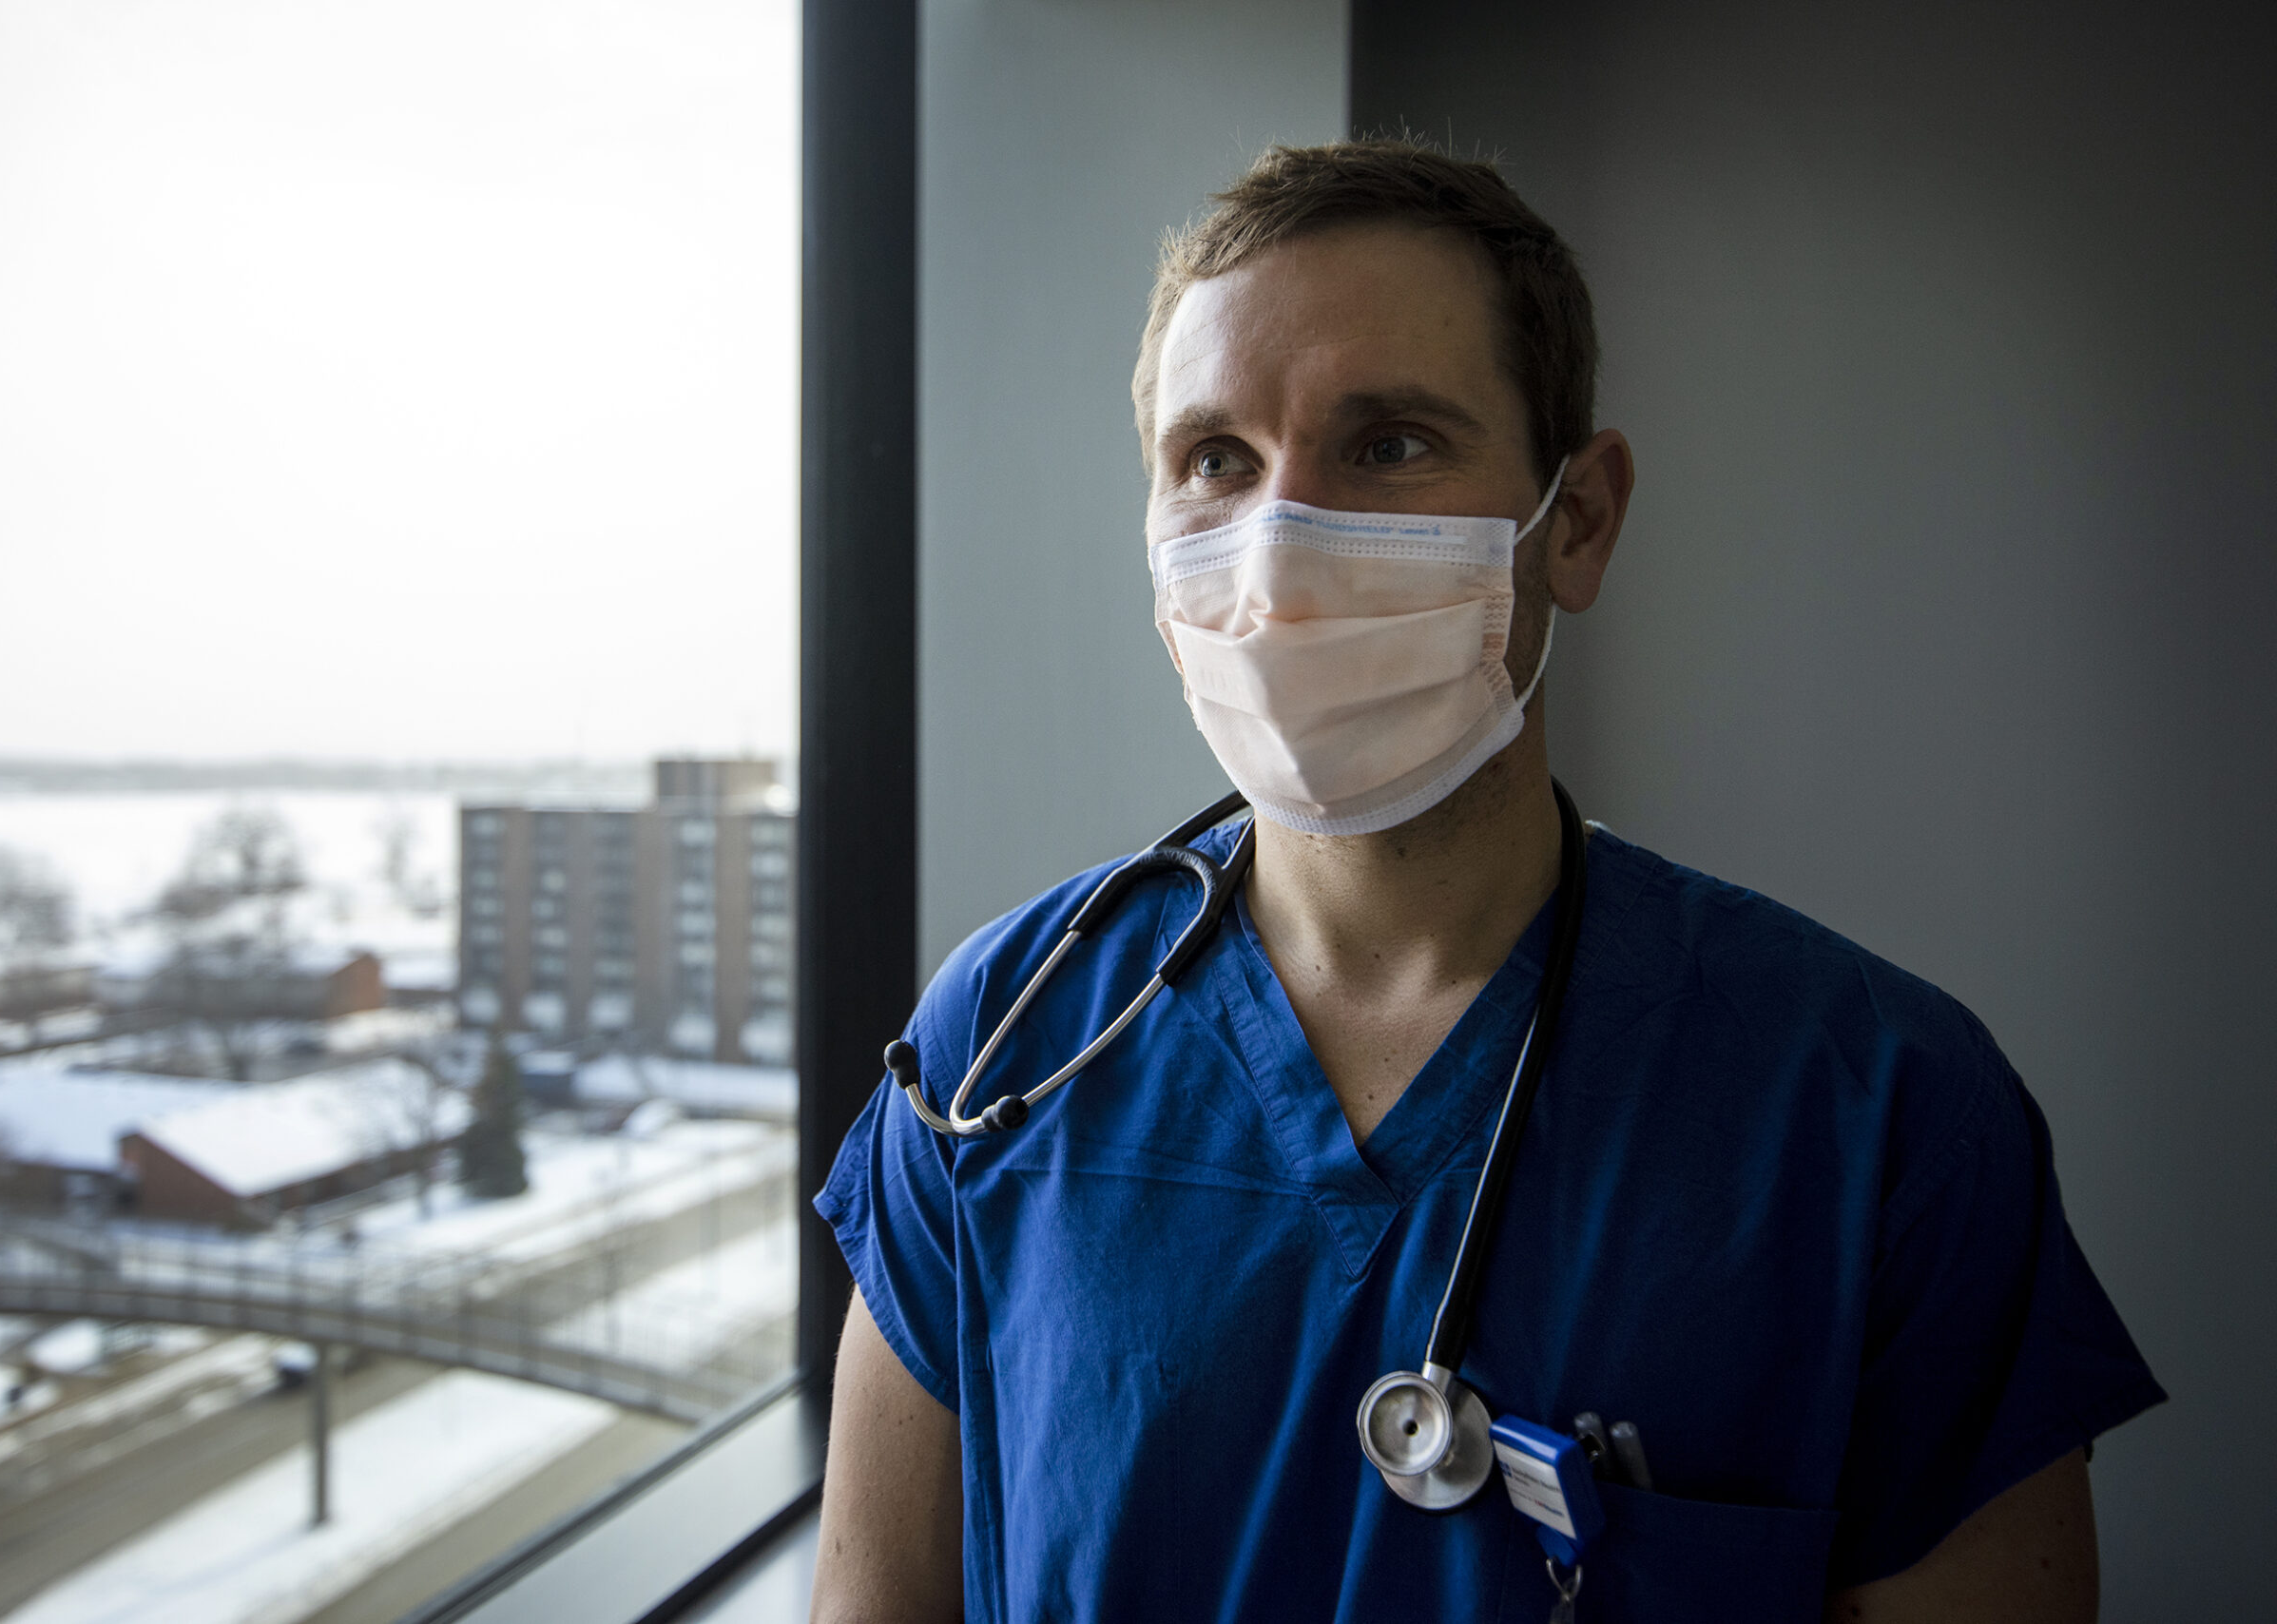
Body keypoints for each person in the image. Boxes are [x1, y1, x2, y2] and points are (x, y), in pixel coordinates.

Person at [809, 141, 2163, 1623]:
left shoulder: (1877, 1109)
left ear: (1574, 521)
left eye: (1387, 445)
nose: (1280, 552)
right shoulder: (1004, 1042)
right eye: (1215, 462)